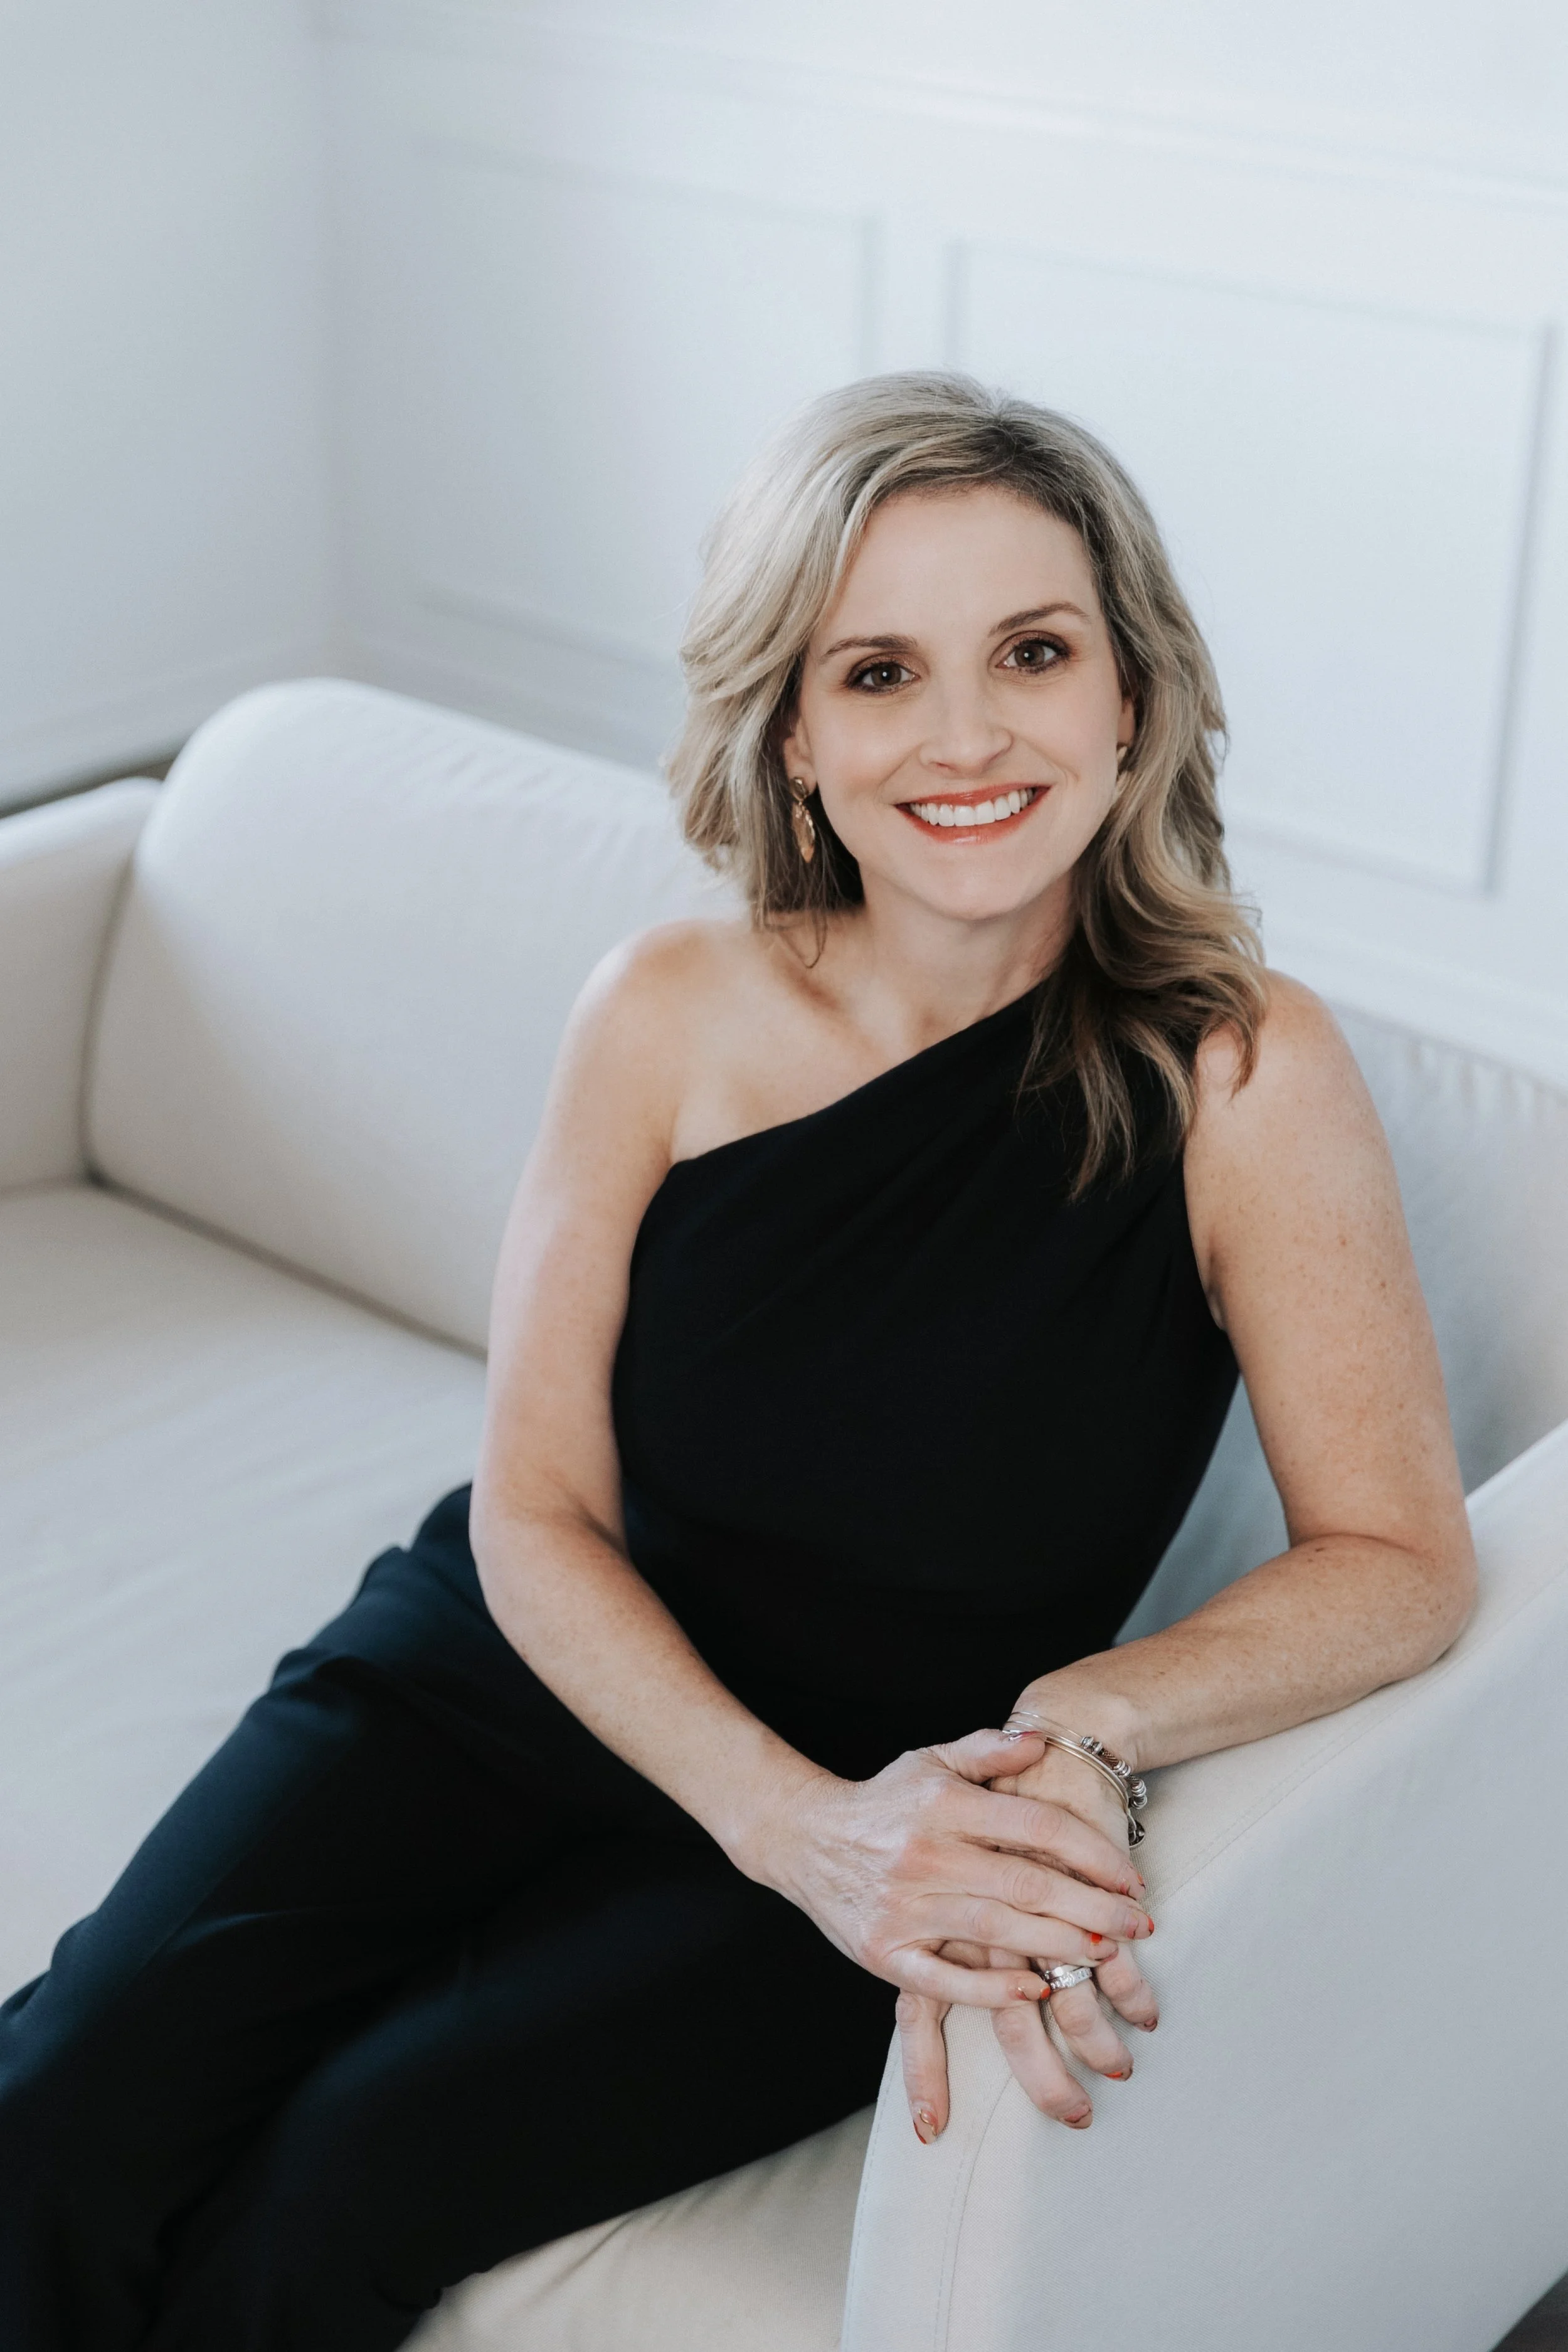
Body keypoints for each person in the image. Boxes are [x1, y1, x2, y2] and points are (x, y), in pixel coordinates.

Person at [0, 373, 1475, 2351]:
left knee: (341, 2182)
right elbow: (531, 1505)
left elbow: (1396, 1554)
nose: (965, 734)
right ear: (792, 730)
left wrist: (1085, 1720)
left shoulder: (1241, 1071)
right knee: (59, 2104)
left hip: (880, 1792)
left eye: (1032, 652)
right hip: (512, 1676)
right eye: (878, 672)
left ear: (1130, 694)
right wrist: (782, 1820)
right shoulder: (663, 1009)